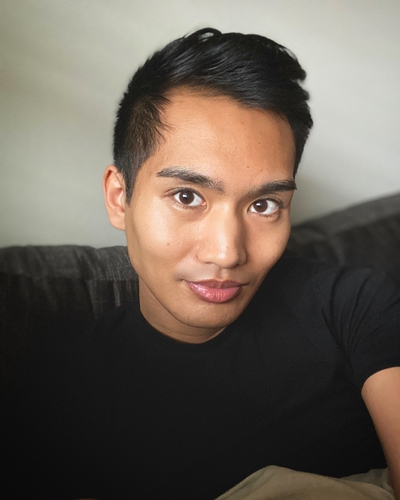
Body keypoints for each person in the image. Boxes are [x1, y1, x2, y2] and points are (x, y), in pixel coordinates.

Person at [4, 28, 400, 500]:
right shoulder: (53, 389)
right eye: (187, 196)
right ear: (119, 197)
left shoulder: (353, 306)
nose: (227, 253)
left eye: (264, 205)